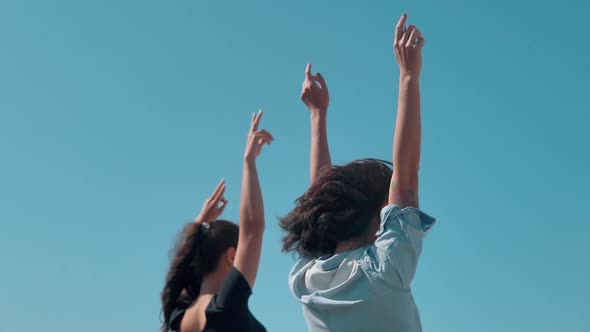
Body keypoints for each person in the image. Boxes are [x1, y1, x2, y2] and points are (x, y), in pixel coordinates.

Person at [279, 14, 436, 332]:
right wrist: (409, 76)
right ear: (380, 214)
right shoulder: (385, 270)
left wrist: (317, 116)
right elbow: (405, 184)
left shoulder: (307, 282)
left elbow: (320, 202)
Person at [160, 110, 273, 332]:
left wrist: (201, 223)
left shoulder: (179, 316)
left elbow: (180, 267)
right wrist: (249, 161)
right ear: (232, 256)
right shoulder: (225, 309)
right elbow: (253, 230)